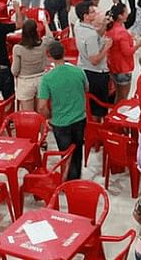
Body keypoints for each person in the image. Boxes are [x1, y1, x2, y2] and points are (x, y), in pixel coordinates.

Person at [38, 41, 87, 180]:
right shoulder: (78, 71)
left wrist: (48, 117)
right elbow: (86, 89)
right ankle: (76, 178)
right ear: (64, 53)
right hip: (79, 118)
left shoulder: (47, 78)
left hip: (60, 122)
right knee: (78, 150)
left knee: (65, 153)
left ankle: (69, 182)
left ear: (50, 57)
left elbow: (42, 106)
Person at [74, 0, 112, 119]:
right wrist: (106, 47)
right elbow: (94, 60)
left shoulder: (78, 25)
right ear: (85, 16)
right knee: (98, 110)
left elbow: (96, 36)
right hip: (96, 74)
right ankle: (96, 130)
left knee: (90, 105)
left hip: (83, 68)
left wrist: (104, 26)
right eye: (92, 12)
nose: (95, 13)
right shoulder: (90, 35)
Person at [12, 19, 53, 111]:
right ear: (36, 31)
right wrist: (46, 24)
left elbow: (15, 71)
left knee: (28, 114)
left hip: (25, 81)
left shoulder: (18, 49)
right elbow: (51, 38)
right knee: (41, 109)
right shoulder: (43, 44)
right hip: (41, 79)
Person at [105, 0, 135, 102]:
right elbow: (127, 52)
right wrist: (139, 44)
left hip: (113, 66)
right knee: (122, 98)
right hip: (123, 68)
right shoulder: (122, 33)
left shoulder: (110, 28)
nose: (128, 14)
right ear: (120, 16)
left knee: (117, 94)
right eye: (126, 12)